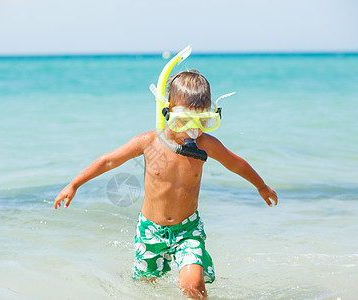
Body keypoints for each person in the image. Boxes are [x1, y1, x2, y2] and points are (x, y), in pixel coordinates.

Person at [54, 70, 278, 299]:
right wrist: (74, 185)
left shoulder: (206, 144)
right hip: (149, 230)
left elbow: (236, 164)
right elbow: (109, 160)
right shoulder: (149, 142)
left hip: (187, 229)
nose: (193, 130)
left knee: (193, 286)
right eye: (184, 120)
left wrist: (261, 186)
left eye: (202, 121)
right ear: (168, 111)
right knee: (145, 286)